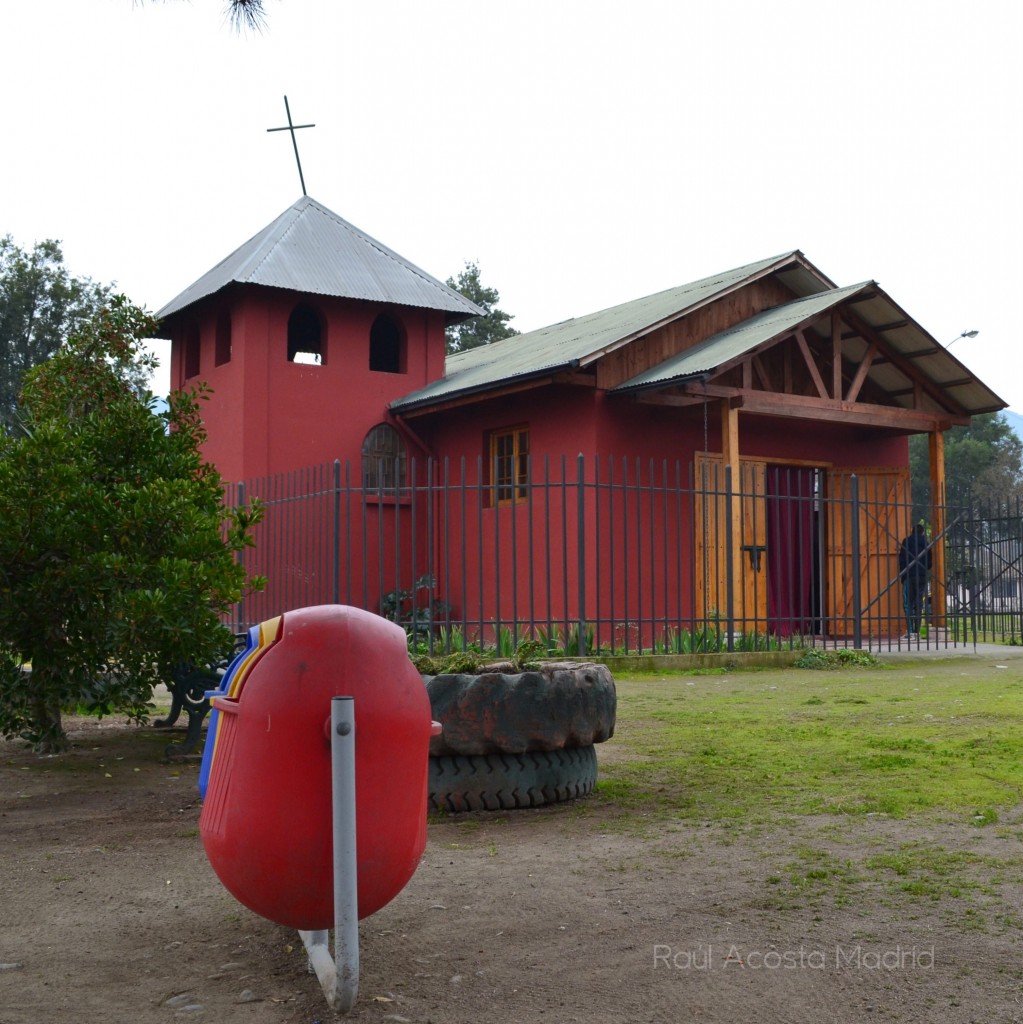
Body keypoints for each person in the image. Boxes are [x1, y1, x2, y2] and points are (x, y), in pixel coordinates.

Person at [898, 522, 932, 638]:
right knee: (918, 603)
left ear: (912, 531)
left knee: (908, 603)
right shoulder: (926, 543)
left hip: (908, 575)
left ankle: (910, 631)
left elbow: (901, 559)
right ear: (923, 532)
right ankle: (917, 631)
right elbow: (929, 563)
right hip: (921, 576)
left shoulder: (906, 541)